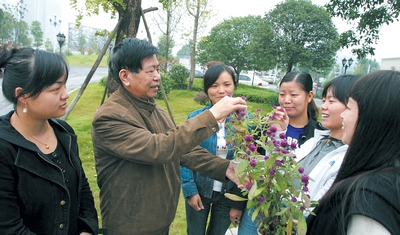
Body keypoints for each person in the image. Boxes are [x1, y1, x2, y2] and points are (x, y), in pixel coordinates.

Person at [91, 38, 247, 235]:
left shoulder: (153, 108)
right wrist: (212, 116)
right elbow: (158, 149)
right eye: (150, 71)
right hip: (131, 226)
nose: (158, 77)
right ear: (125, 76)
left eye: (158, 69)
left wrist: (226, 168)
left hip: (157, 221)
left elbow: (182, 150)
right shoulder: (110, 117)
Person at [0, 47, 98, 234]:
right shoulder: (5, 148)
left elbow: (82, 189)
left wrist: (87, 229)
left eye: (65, 85)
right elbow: (8, 227)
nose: (65, 94)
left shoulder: (64, 133)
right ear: (23, 96)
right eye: (55, 89)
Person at [306, 70, 400, 234]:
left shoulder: (368, 200)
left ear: (371, 117)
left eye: (348, 107)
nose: (343, 115)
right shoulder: (378, 176)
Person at [238, 71, 324, 235]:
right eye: (282, 94)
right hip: (259, 201)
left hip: (290, 209)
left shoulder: (318, 135)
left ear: (309, 96)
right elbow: (247, 161)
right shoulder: (266, 126)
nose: (286, 100)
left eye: (294, 94)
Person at [180, 64, 245, 235]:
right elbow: (185, 154)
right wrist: (190, 191)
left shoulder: (245, 123)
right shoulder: (196, 118)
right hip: (200, 191)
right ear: (207, 89)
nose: (221, 91)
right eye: (214, 86)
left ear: (234, 86)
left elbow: (248, 163)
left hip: (228, 195)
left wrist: (238, 203)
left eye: (226, 84)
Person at [294, 75, 359, 200]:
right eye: (324, 101)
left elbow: (316, 206)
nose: (323, 106)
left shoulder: (347, 158)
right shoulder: (315, 140)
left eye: (331, 101)